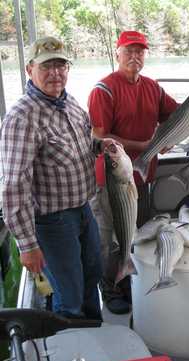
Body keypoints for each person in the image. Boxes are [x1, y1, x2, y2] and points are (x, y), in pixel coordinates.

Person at [88, 31, 189, 314]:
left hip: (141, 178)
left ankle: (132, 278)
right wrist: (143, 146)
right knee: (109, 239)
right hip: (110, 179)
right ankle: (110, 289)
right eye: (129, 50)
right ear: (117, 52)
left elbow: (179, 114)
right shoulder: (103, 90)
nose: (135, 56)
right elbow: (100, 136)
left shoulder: (152, 87)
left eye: (140, 51)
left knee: (140, 232)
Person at [0, 37, 116, 320]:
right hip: (52, 222)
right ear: (30, 70)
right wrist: (27, 245)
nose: (55, 72)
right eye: (46, 66)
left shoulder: (71, 102)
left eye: (61, 65)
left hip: (83, 209)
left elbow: (83, 142)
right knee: (70, 295)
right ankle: (72, 351)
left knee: (93, 277)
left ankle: (94, 335)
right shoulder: (22, 117)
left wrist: (100, 146)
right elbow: (14, 186)